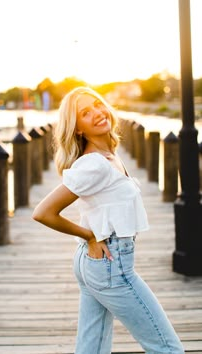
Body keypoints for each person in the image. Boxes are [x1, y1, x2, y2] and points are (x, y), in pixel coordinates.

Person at [32, 86, 184, 354]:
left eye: (98, 105)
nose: (97, 113)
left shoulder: (109, 156)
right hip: (110, 264)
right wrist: (89, 235)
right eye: (85, 113)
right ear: (77, 128)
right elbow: (43, 212)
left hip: (95, 264)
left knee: (91, 349)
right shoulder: (94, 164)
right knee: (167, 348)